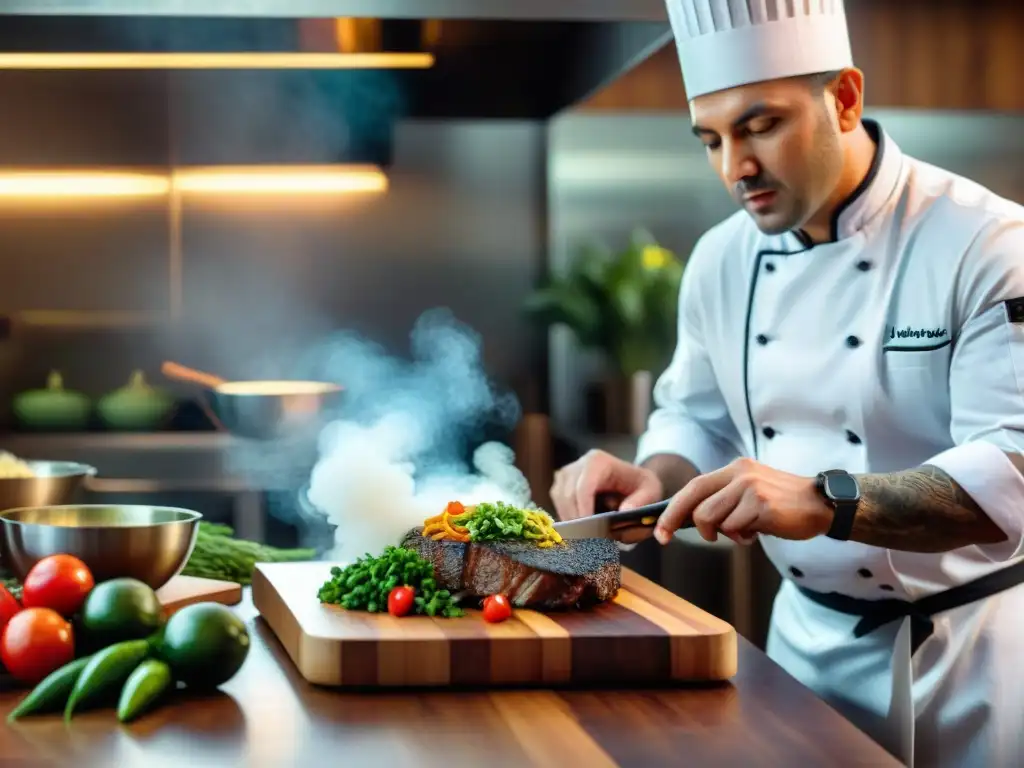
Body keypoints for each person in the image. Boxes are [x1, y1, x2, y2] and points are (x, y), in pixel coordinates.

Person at [549, 2, 1024, 766]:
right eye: (711, 139)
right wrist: (655, 477)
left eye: (759, 125)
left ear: (843, 98)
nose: (734, 167)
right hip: (800, 650)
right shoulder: (719, 259)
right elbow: (695, 418)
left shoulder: (985, 242)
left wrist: (822, 500)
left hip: (967, 668)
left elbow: (1012, 475)